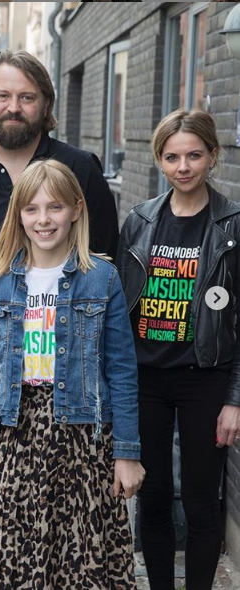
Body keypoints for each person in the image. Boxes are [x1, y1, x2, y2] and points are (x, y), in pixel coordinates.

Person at [0, 159, 145, 589]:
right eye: (32, 209)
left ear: (76, 210)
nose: (43, 219)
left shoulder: (101, 278)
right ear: (18, 215)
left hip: (85, 437)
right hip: (18, 432)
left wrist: (127, 453)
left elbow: (122, 370)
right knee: (7, 555)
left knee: (81, 558)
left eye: (55, 207)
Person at [116, 109, 240, 590]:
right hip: (146, 380)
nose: (183, 166)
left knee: (202, 502)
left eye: (193, 155)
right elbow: (120, 310)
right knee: (153, 499)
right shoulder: (140, 222)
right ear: (159, 161)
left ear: (212, 156)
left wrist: (234, 398)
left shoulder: (232, 225)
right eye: (171, 157)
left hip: (205, 380)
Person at [0, 49, 119, 302]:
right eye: (2, 96)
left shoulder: (81, 168)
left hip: (64, 331)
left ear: (46, 106)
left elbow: (103, 250)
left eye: (27, 98)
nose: (13, 107)